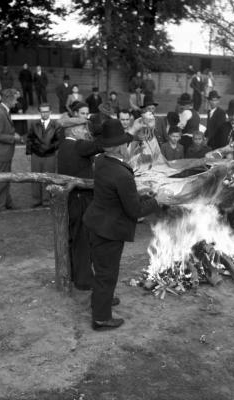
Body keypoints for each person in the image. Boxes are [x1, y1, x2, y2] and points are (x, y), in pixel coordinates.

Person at [83, 118, 161, 330]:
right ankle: (101, 317)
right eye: (126, 143)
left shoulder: (101, 161)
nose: (128, 146)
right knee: (107, 273)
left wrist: (140, 194)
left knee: (101, 269)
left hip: (96, 222)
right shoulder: (121, 174)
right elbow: (134, 211)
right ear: (119, 148)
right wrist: (156, 200)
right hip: (109, 229)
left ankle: (100, 300)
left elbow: (119, 195)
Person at [57, 117, 103, 290]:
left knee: (76, 239)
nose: (86, 132)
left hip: (72, 200)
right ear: (74, 130)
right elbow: (100, 146)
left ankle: (75, 275)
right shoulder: (78, 146)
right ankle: (84, 280)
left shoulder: (63, 146)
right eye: (83, 128)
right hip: (82, 200)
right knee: (84, 241)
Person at [0, 88, 22, 212]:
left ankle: (6, 203)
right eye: (16, 99)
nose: (16, 102)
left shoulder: (4, 111)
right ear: (9, 99)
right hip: (0, 153)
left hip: (4, 153)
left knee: (5, 179)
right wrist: (13, 137)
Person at [26, 103, 63, 207]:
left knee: (49, 179)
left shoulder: (56, 125)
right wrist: (29, 153)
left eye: (47, 111)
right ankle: (36, 200)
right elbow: (29, 139)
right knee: (36, 178)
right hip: (36, 156)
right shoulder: (33, 124)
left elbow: (58, 141)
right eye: (43, 111)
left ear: (50, 112)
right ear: (40, 112)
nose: (45, 113)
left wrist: (49, 147)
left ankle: (47, 201)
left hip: (50, 156)